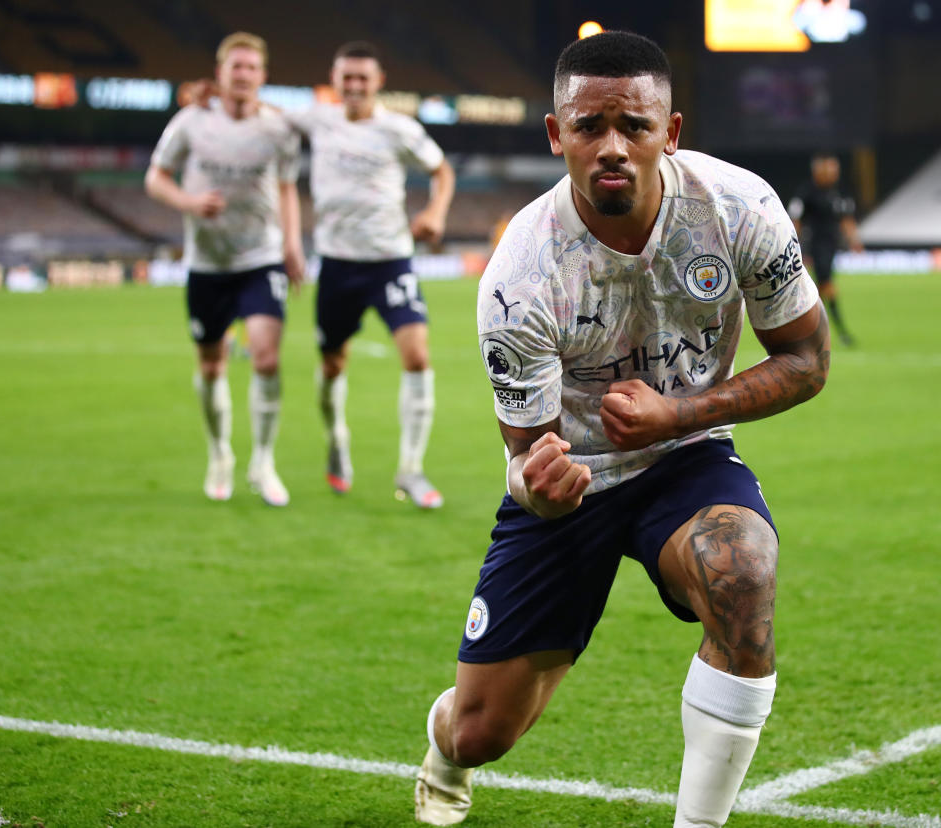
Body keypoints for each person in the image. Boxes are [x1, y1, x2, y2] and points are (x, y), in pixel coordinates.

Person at [414, 31, 829, 827]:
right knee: (483, 732)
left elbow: (807, 358)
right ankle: (444, 748)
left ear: (669, 133)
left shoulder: (740, 207)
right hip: (577, 480)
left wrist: (679, 415)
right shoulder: (519, 277)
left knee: (741, 571)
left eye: (635, 127)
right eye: (589, 126)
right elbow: (525, 454)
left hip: (686, 455)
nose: (613, 147)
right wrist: (535, 483)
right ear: (555, 134)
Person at [287, 41, 454, 506]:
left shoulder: (399, 128)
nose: (355, 85)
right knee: (332, 364)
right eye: (347, 77)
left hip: (390, 260)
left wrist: (436, 213)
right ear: (334, 80)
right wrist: (209, 97)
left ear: (378, 82)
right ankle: (337, 440)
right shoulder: (316, 119)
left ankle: (411, 470)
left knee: (417, 356)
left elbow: (442, 171)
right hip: (337, 264)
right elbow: (259, 109)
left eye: (364, 77)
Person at [145, 31, 304, 506]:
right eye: (235, 66)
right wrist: (189, 202)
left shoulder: (278, 128)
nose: (243, 75)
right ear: (220, 74)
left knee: (266, 358)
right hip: (207, 263)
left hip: (261, 258)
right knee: (212, 366)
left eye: (251, 68)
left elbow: (288, 186)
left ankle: (263, 461)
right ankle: (219, 455)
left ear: (263, 76)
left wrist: (293, 242)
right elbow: (155, 176)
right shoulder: (191, 122)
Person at [787, 152, 863, 347]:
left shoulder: (840, 193)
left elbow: (847, 218)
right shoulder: (807, 192)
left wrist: (854, 239)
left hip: (831, 245)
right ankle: (839, 331)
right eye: (829, 170)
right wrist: (793, 244)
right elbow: (795, 220)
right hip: (814, 245)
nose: (833, 174)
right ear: (817, 171)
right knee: (825, 286)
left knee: (820, 288)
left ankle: (813, 330)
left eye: (834, 170)